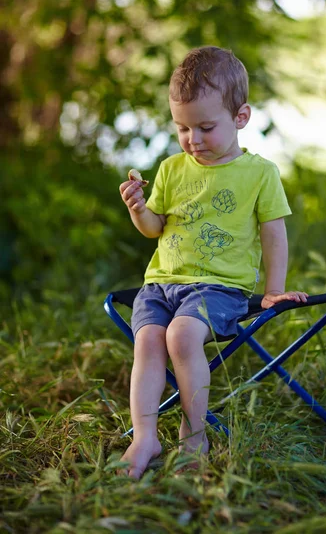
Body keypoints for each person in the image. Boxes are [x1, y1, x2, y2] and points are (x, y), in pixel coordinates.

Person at [119, 46, 308, 478]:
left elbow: (273, 235)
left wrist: (273, 289)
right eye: (182, 128)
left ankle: (193, 434)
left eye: (205, 127)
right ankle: (144, 436)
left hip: (219, 287)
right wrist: (138, 209)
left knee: (182, 337)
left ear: (240, 117)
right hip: (160, 285)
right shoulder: (171, 168)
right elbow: (155, 227)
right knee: (148, 342)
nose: (193, 140)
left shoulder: (259, 173)